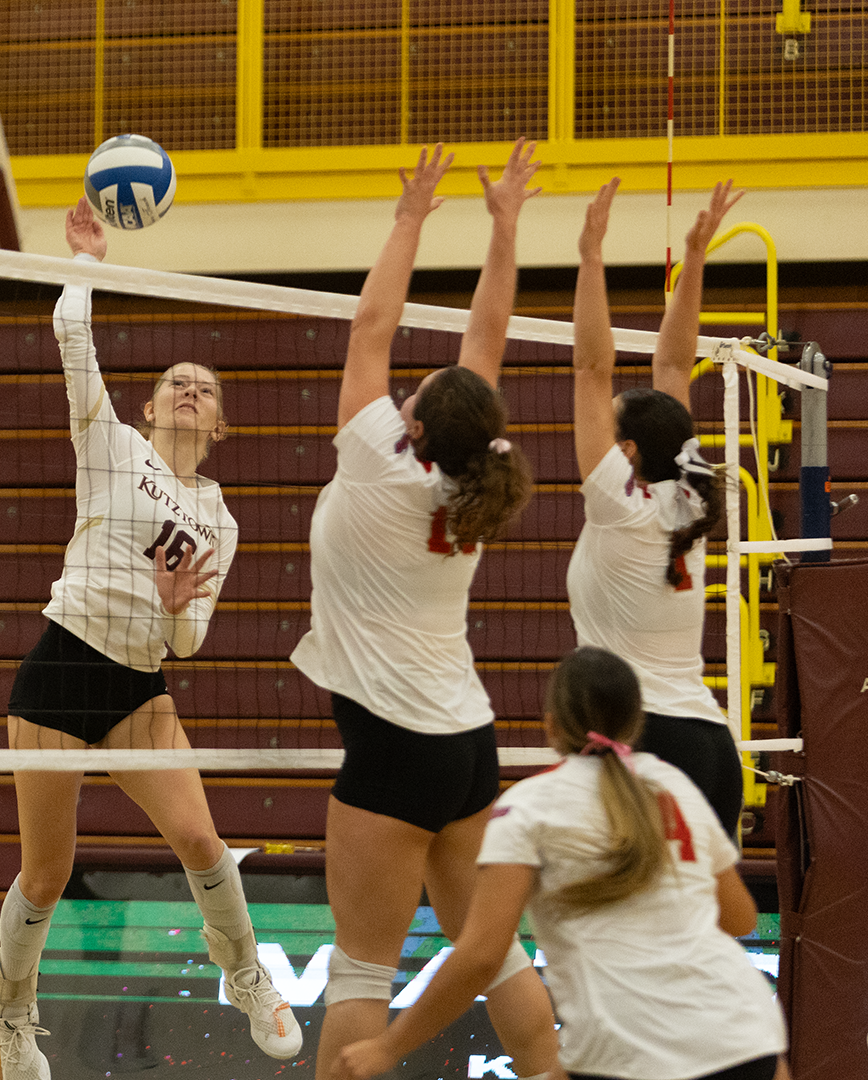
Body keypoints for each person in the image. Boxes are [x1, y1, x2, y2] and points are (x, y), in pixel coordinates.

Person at [0, 199, 298, 1080]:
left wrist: (166, 605)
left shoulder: (220, 519)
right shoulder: (111, 445)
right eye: (177, 383)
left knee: (201, 841)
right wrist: (83, 262)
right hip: (61, 668)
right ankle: (13, 1012)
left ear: (220, 425)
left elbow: (190, 640)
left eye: (207, 388)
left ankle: (245, 974)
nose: (190, 390)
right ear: (151, 405)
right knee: (46, 874)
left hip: (138, 684)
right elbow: (72, 344)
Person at [288, 139, 560, 1080]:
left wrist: (409, 216)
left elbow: (371, 326)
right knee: (499, 955)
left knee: (361, 971)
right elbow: (483, 346)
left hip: (399, 748)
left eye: (409, 395)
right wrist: (505, 224)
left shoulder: (376, 458)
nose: (397, 389)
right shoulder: (472, 482)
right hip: (469, 743)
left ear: (411, 426)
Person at [338, 647, 788, 1080]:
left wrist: (388, 1047)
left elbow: (481, 956)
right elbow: (740, 917)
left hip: (625, 1048)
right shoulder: (674, 786)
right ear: (637, 721)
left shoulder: (529, 807)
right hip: (742, 1032)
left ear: (550, 725)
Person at [569, 178, 748, 835]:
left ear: (628, 448)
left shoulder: (621, 504)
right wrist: (695, 262)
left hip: (640, 744)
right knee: (691, 933)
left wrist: (591, 257)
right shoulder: (687, 495)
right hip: (708, 745)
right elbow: (674, 368)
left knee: (625, 930)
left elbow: (592, 367)